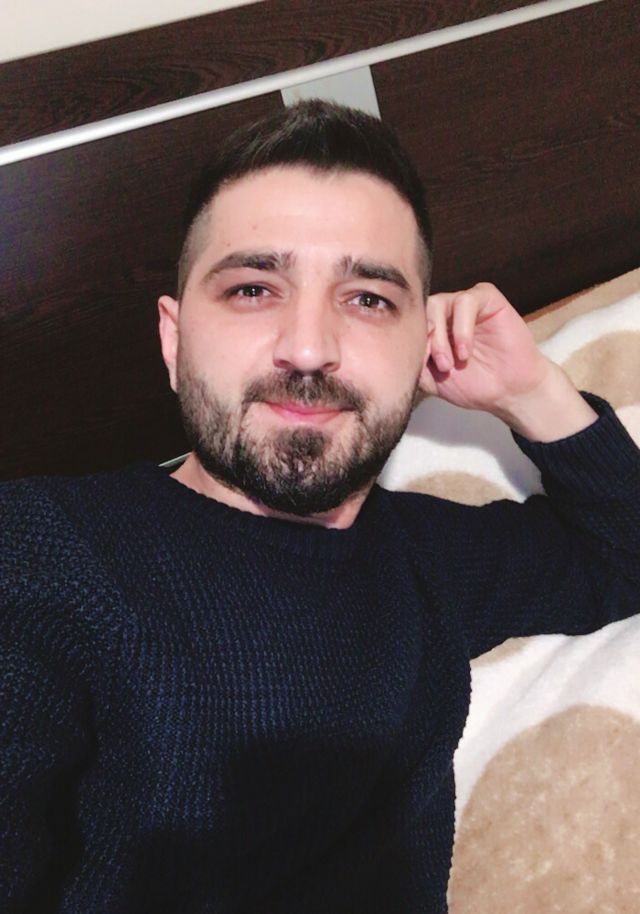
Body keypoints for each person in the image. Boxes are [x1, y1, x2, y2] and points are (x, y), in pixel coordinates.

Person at [1, 99, 638, 914]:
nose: (308, 348)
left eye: (368, 299)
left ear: (422, 346)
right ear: (174, 339)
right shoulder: (40, 552)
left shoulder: (429, 559)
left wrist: (532, 390)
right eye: (253, 288)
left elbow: (626, 552)